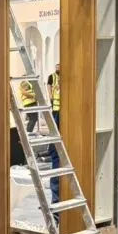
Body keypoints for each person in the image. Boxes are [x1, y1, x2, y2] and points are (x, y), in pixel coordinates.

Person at [47, 64, 62, 204]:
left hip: (61, 111)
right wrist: (51, 98)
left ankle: (56, 202)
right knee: (55, 151)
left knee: (56, 152)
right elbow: (49, 88)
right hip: (56, 109)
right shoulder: (52, 77)